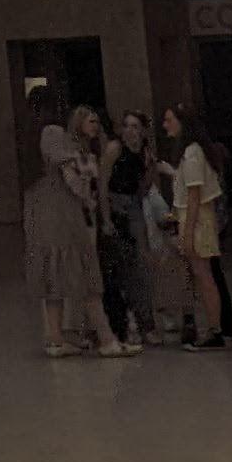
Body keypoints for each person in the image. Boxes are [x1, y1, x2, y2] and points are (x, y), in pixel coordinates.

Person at [23, 115, 116, 354]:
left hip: (47, 222)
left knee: (53, 277)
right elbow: (80, 187)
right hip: (68, 220)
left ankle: (55, 337)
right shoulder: (68, 158)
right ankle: (105, 338)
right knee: (84, 276)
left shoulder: (40, 174)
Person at [174, 121, 232, 344]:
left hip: (197, 220)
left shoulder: (192, 153)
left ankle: (215, 329)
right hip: (196, 218)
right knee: (202, 275)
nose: (165, 125)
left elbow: (193, 193)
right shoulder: (193, 152)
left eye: (170, 120)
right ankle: (213, 327)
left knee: (204, 274)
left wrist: (188, 233)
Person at [100, 110, 153, 346]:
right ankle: (123, 321)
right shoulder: (114, 149)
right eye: (126, 125)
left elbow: (143, 186)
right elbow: (102, 185)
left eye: (135, 126)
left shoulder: (144, 152)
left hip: (134, 205)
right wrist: (106, 218)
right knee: (119, 265)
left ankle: (145, 322)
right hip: (115, 203)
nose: (130, 131)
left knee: (139, 264)